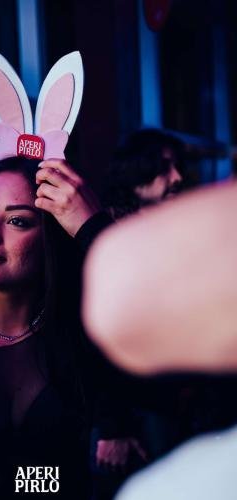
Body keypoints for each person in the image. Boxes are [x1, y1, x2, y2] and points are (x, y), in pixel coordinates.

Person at [0, 156, 139, 500]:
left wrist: (92, 226)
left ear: (51, 237)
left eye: (17, 221)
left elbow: (161, 312)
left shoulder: (83, 334)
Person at [82, 180, 237, 500]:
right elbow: (94, 339)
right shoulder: (113, 233)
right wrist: (112, 424)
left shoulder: (182, 231)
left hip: (184, 408)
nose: (176, 176)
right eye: (162, 167)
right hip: (139, 409)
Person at [102, 129, 185, 220]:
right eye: (164, 167)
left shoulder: (178, 222)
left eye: (177, 166)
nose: (178, 177)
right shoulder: (105, 225)